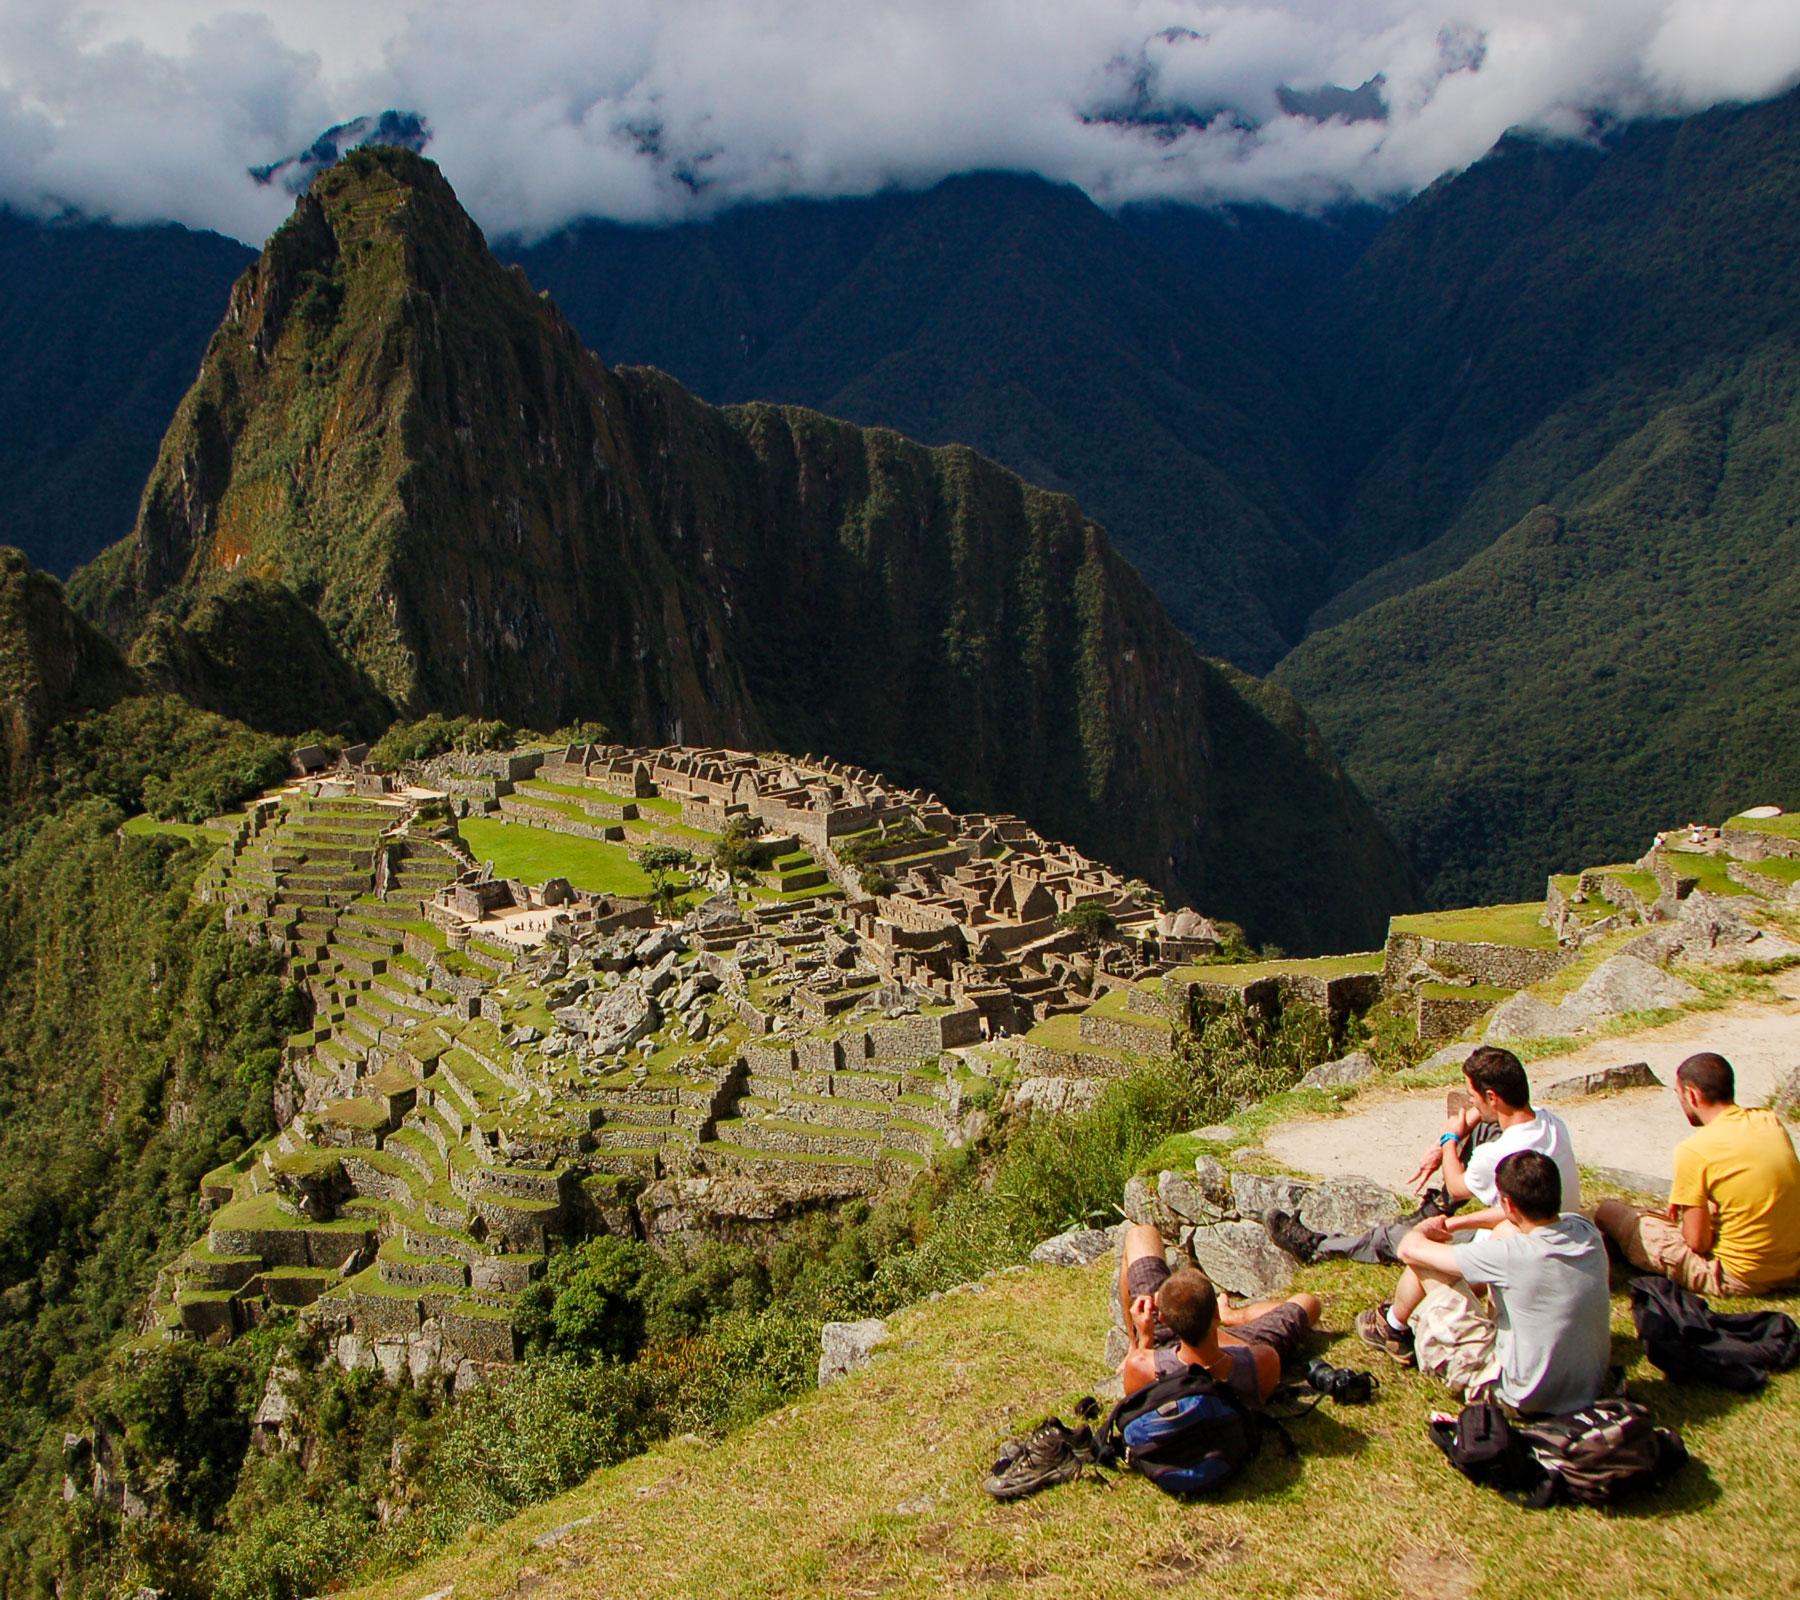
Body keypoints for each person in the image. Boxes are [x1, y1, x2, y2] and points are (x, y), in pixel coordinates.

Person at [1267, 1045, 1581, 1264]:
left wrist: (1448, 1139)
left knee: (1394, 1237)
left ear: (1492, 1097)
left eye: (1473, 1098)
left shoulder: (1499, 1155)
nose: (1470, 1105)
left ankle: (1318, 1247)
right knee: (1484, 1129)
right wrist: (1452, 1135)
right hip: (1552, 1218)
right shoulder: (1549, 1122)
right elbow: (1481, 1118)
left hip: (1512, 1241)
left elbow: (1457, 1183)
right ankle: (1436, 1208)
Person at [1356, 1150, 1613, 1416]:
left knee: (1428, 1263)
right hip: (1585, 1386)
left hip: (1519, 1397)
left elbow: (1410, 1250)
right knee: (1503, 1231)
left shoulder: (1512, 1256)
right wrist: (1455, 1223)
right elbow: (1505, 1222)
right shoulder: (1585, 1230)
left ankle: (1392, 1329)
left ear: (1510, 1205)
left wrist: (1424, 1228)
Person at [1595, 1051, 1800, 1296]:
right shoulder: (1768, 1121)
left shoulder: (1695, 1151)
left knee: (1610, 1212)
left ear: (1691, 1095)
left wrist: (1686, 1220)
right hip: (1792, 1265)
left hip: (1737, 1276)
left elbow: (1697, 1243)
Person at [1116, 1222, 1321, 1403]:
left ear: (1161, 1316)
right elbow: (1309, 1302)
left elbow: (1138, 1397)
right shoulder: (1263, 1359)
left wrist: (1142, 1341)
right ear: (1216, 1313)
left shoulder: (1142, 1365)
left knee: (1140, 1234)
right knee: (1308, 1303)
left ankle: (1131, 1344)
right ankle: (1235, 1316)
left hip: (1161, 1343)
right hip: (1234, 1344)